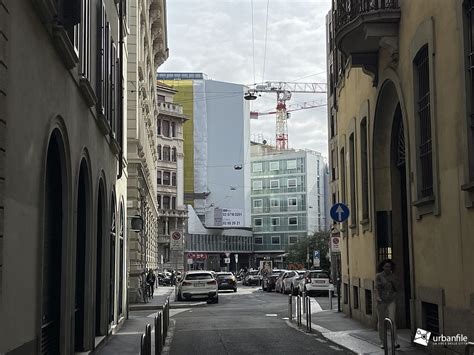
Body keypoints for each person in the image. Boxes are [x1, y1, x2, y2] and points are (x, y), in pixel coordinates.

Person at [375, 259, 400, 349]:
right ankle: (382, 341)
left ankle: (395, 341)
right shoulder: (379, 276)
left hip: (391, 300)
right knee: (381, 321)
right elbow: (377, 288)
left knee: (392, 320)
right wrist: (378, 297)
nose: (387, 268)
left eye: (389, 266)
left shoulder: (394, 276)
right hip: (381, 301)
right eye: (386, 266)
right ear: (382, 267)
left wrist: (393, 281)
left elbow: (397, 288)